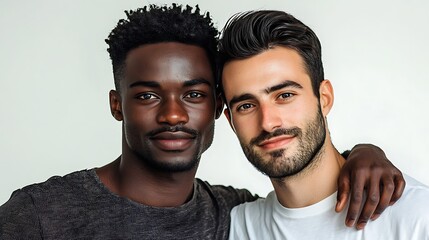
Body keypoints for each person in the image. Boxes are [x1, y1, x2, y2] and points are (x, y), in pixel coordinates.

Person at [0, 4, 405, 239]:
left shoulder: (233, 214)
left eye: (193, 94)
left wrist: (362, 154)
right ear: (117, 105)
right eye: (147, 95)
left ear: (216, 108)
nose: (173, 114)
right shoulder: (40, 213)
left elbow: (302, 175)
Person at [219, 10, 429, 239]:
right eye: (246, 106)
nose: (268, 122)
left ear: (324, 98)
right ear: (231, 121)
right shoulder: (240, 225)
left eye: (285, 95)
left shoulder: (414, 215)